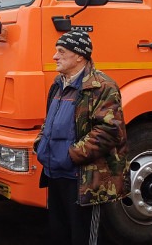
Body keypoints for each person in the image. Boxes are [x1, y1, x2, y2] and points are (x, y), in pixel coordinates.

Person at [34, 30, 130, 245]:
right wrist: (41, 144)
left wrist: (70, 156)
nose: (54, 56)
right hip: (55, 175)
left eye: (61, 51)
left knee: (84, 237)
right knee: (59, 234)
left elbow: (108, 131)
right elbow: (48, 121)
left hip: (82, 179)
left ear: (79, 56)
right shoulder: (58, 84)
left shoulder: (102, 86)